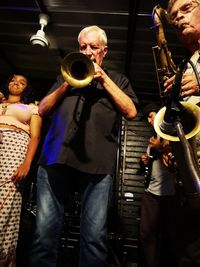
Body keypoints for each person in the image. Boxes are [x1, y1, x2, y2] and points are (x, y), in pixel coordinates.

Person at [30, 25, 138, 267]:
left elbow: (131, 111)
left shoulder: (118, 79)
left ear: (104, 52)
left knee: (94, 238)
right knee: (43, 235)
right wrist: (67, 83)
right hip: (55, 160)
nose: (87, 52)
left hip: (97, 166)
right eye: (83, 47)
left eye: (94, 47)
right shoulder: (64, 76)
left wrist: (103, 78)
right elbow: (42, 109)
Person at [0, 74, 42, 266]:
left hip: (14, 152)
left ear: (27, 89)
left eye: (22, 82)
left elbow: (35, 137)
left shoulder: (32, 108)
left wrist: (27, 163)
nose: (16, 82)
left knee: (5, 207)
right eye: (13, 80)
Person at [139, 102, 179, 267]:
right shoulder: (153, 137)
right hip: (151, 194)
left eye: (150, 115)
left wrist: (160, 148)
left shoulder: (172, 132)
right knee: (147, 236)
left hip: (172, 194)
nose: (149, 120)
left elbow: (178, 157)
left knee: (172, 237)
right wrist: (144, 162)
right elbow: (151, 167)